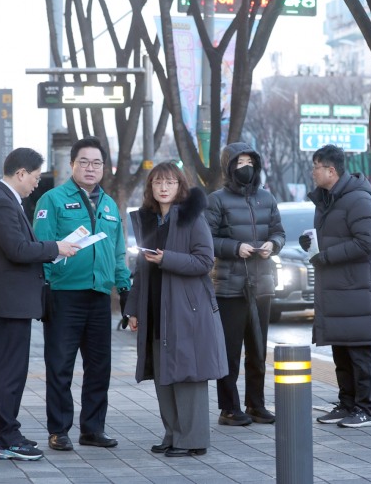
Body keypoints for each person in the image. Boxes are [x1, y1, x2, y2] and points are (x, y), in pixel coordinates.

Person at [0, 148, 80, 461]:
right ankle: (6, 438)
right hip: (8, 303)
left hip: (11, 301)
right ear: (20, 173)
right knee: (9, 372)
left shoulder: (4, 200)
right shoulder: (1, 202)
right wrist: (55, 247)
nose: (35, 183)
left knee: (12, 370)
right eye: (34, 177)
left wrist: (51, 250)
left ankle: (9, 434)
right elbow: (18, 249)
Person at [32, 137, 131, 451]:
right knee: (60, 365)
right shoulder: (53, 199)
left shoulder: (110, 205)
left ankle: (92, 429)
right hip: (63, 295)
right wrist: (44, 289)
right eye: (85, 162)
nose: (91, 168)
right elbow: (42, 247)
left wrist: (124, 288)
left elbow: (117, 254)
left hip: (99, 296)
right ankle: (59, 430)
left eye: (97, 163)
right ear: (72, 164)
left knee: (99, 366)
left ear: (104, 167)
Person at [125, 161, 227, 457]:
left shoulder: (192, 219)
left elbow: (205, 262)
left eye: (169, 182)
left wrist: (167, 259)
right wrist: (133, 310)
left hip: (188, 311)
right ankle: (172, 434)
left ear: (180, 186)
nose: (163, 188)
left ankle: (192, 439)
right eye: (158, 183)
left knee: (188, 376)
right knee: (164, 377)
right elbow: (141, 272)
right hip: (157, 309)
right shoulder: (149, 221)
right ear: (151, 188)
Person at [299, 144, 371, 428]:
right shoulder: (327, 200)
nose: (313, 172)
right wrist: (312, 244)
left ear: (331, 170)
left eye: (316, 167)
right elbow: (337, 237)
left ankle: (364, 409)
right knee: (341, 353)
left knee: (359, 354)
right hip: (337, 291)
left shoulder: (358, 199)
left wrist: (325, 256)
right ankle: (347, 404)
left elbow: (367, 243)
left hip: (357, 291)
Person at [205, 143, 284, 426]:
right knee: (229, 350)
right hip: (229, 286)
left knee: (258, 349)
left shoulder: (267, 198)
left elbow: (279, 232)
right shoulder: (216, 200)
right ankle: (229, 407)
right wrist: (234, 247)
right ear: (229, 167)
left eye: (250, 161)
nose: (246, 167)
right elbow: (207, 240)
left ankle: (256, 404)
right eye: (239, 163)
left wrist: (272, 245)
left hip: (262, 284)